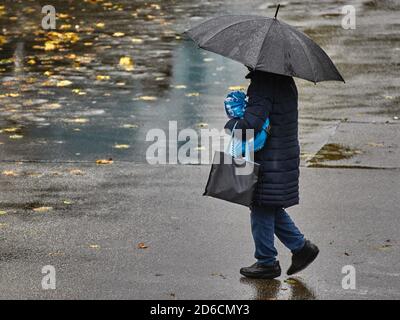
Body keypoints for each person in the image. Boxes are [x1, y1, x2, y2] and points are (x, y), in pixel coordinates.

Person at [225, 68, 319, 279]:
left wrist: (232, 119)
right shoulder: (284, 80)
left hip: (269, 159)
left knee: (261, 206)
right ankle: (301, 248)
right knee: (267, 205)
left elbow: (250, 125)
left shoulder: (263, 84)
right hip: (281, 155)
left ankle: (266, 262)